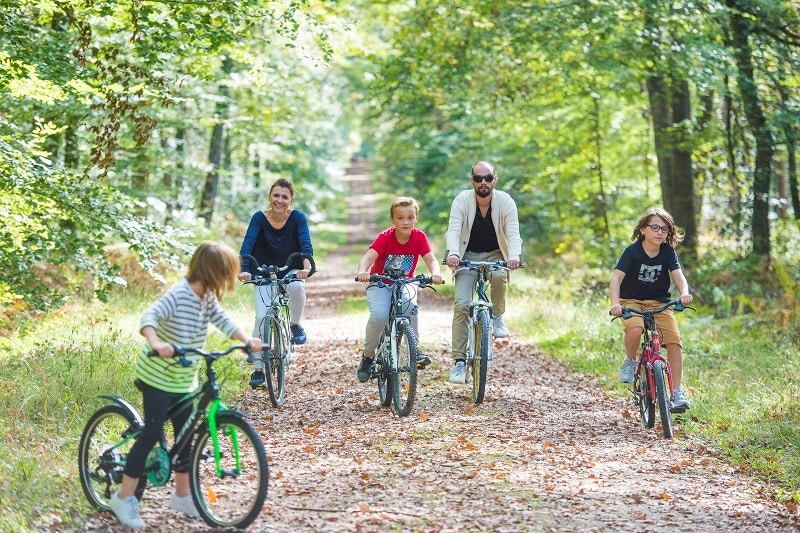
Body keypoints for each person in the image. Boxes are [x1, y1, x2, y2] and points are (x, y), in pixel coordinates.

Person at [108, 242, 263, 529]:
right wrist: (157, 343)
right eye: (226, 273)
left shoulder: (206, 298)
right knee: (152, 432)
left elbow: (224, 322)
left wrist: (246, 339)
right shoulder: (179, 294)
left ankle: (182, 494)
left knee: (185, 435)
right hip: (157, 377)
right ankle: (124, 496)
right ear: (213, 272)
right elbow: (149, 317)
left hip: (183, 380)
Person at [445, 161, 523, 384]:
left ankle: (497, 316)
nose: (483, 182)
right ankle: (459, 363)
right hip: (466, 256)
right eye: (478, 178)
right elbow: (454, 230)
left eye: (487, 178)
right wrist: (453, 254)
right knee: (461, 304)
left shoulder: (505, 201)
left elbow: (513, 233)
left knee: (499, 276)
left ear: (494, 180)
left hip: (495, 255)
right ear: (472, 181)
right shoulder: (462, 200)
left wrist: (514, 257)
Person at [609, 207, 693, 410]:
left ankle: (676, 392)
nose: (659, 232)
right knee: (636, 328)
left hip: (659, 303)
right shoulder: (632, 251)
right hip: (631, 301)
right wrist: (615, 304)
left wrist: (684, 292)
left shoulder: (667, 252)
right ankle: (630, 361)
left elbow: (678, 275)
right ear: (643, 229)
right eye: (654, 227)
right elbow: (616, 279)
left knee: (674, 342)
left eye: (664, 229)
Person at [355, 197, 443, 382]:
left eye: (410, 217)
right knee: (379, 315)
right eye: (400, 218)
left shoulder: (419, 237)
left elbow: (431, 259)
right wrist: (363, 272)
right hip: (381, 283)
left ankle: (415, 350)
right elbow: (368, 257)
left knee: (410, 307)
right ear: (392, 220)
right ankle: (368, 357)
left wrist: (435, 273)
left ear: (416, 218)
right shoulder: (385, 237)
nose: (406, 222)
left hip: (405, 283)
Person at [238, 178, 314, 389]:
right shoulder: (259, 218)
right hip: (262, 268)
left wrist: (306, 267)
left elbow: (305, 244)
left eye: (284, 197)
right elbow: (247, 245)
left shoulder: (297, 218)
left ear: (291, 200)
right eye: (276, 196)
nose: (279, 200)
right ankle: (258, 369)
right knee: (261, 317)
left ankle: (295, 325)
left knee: (297, 287)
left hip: (290, 268)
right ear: (269, 197)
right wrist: (244, 269)